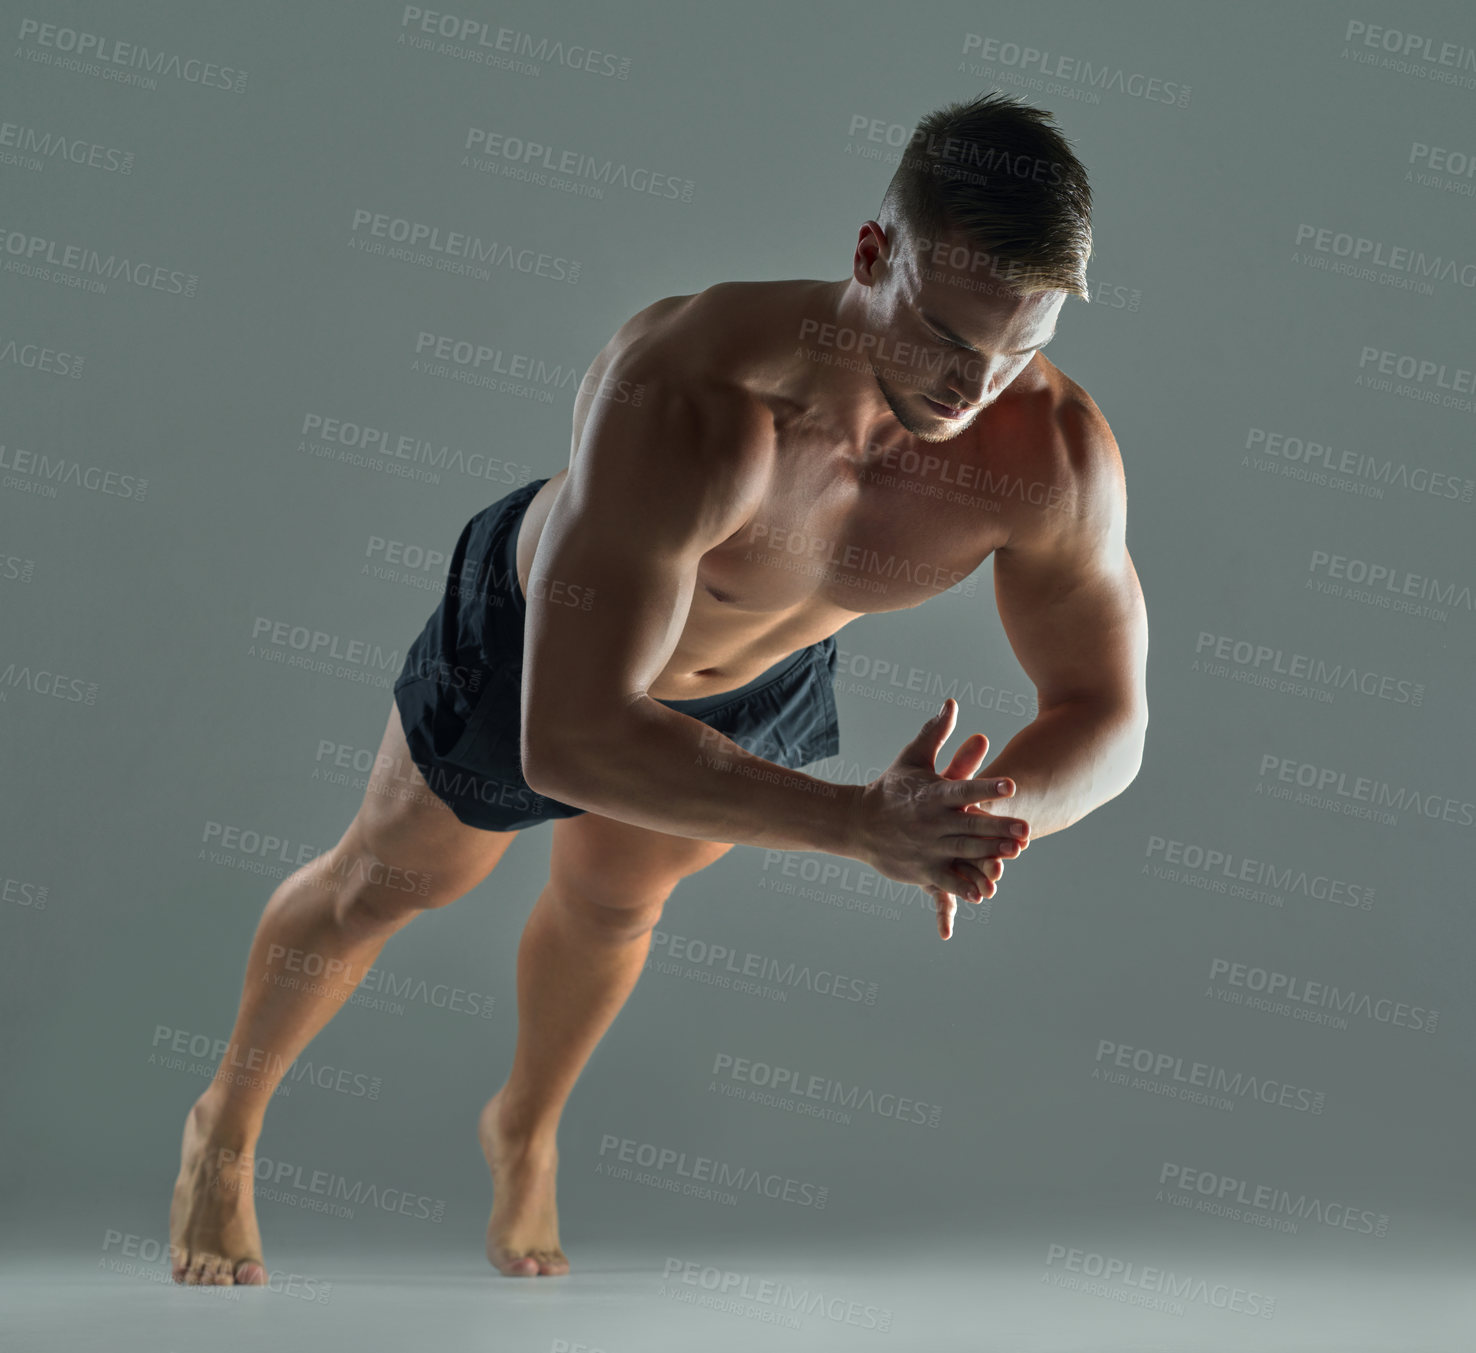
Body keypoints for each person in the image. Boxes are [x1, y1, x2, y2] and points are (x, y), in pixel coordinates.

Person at [170, 90, 1149, 1285]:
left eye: (1020, 351)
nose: (973, 389)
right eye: (948, 340)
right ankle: (224, 1126)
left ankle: (522, 1127)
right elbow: (571, 738)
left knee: (616, 905)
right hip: (548, 651)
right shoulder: (694, 391)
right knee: (392, 882)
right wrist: (854, 824)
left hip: (754, 684)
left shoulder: (1052, 454)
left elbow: (1109, 715)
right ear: (870, 255)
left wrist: (977, 815)